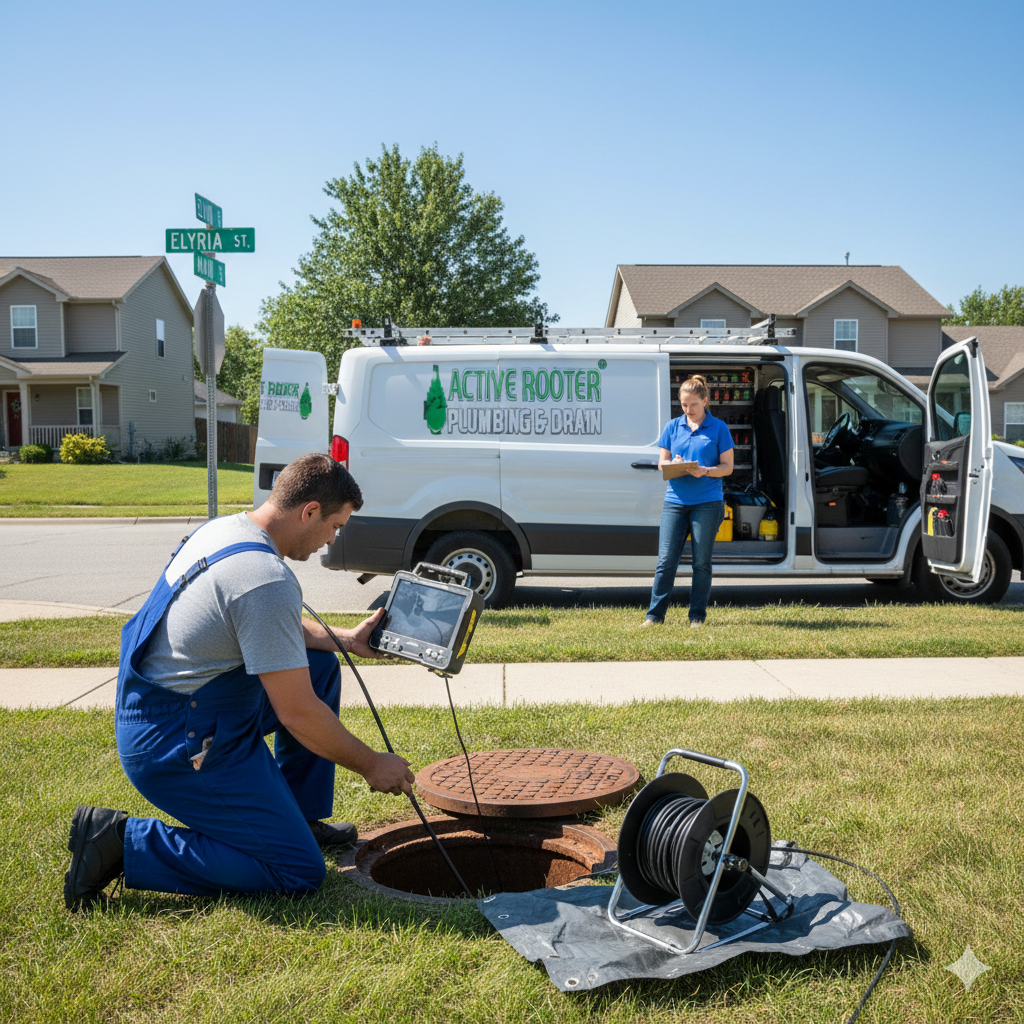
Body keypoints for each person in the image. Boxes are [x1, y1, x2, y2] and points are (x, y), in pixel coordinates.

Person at [64, 453, 414, 911]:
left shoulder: (227, 529)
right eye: (336, 526)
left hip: (178, 708)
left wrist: (344, 640)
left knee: (321, 664)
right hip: (176, 741)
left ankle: (298, 818)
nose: (332, 539)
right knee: (296, 871)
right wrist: (371, 764)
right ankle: (119, 841)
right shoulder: (263, 578)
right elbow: (298, 713)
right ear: (309, 511)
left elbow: (254, 626)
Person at [642, 374, 734, 628]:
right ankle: (654, 616)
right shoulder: (673, 427)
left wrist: (705, 470)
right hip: (675, 501)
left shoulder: (719, 428)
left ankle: (697, 617)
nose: (688, 410)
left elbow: (727, 468)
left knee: (701, 563)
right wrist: (673, 464)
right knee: (665, 562)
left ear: (705, 401)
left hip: (707, 502)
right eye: (684, 405)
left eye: (693, 404)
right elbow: (662, 463)